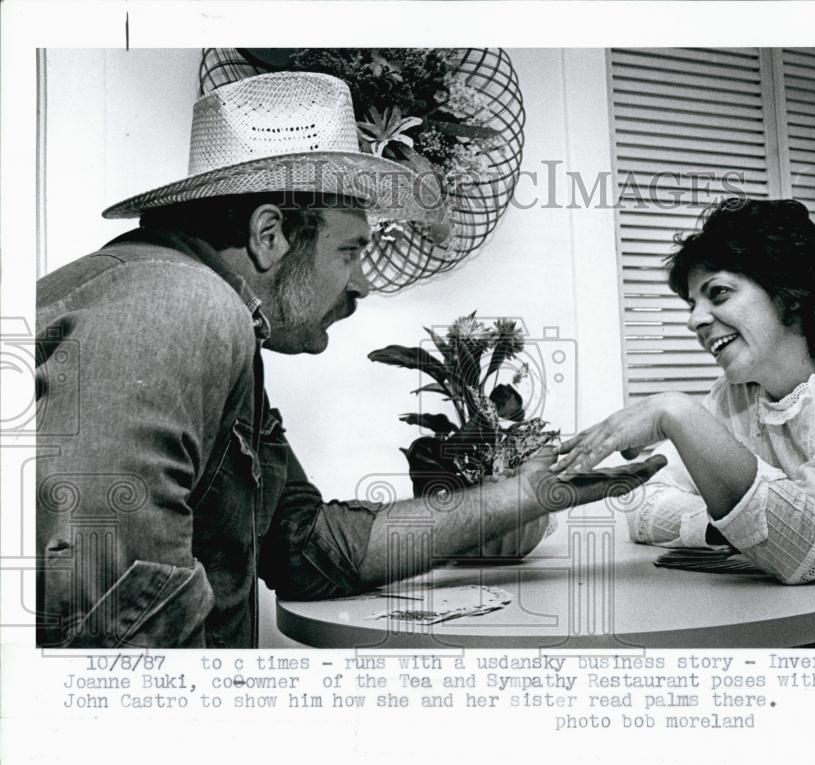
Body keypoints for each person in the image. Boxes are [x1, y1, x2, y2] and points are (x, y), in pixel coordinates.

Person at [35, 71, 665, 649]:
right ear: (269, 234)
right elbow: (109, 612)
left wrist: (527, 493)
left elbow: (304, 548)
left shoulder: (204, 315)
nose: (363, 283)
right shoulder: (182, 304)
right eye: (350, 250)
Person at [551, 198, 815, 647]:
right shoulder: (736, 398)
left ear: (788, 291)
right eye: (692, 302)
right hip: (814, 623)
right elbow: (640, 507)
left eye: (718, 293)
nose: (694, 320)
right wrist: (724, 524)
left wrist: (677, 412)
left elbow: (810, 549)